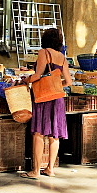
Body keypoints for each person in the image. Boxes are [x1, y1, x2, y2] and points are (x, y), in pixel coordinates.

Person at [21, 27, 73, 178]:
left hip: (44, 98)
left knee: (38, 133)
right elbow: (68, 82)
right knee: (54, 135)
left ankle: (36, 171)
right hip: (58, 99)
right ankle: (50, 168)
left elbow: (37, 75)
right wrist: (56, 85)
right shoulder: (62, 57)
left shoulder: (44, 53)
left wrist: (26, 80)